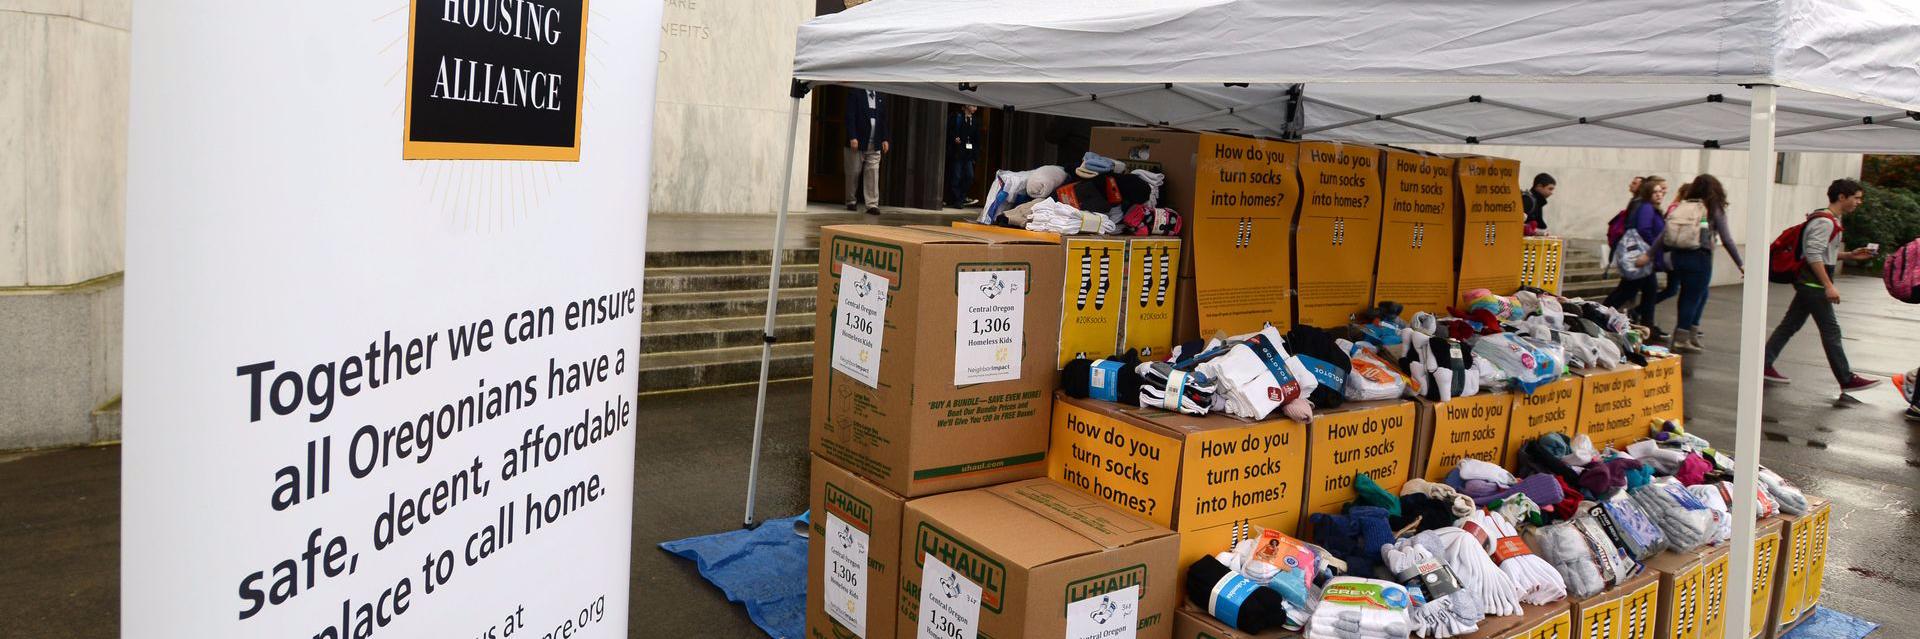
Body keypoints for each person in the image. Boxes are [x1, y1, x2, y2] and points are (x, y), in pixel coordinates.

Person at [1764, 179, 1882, 392]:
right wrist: (1828, 285)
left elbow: (1821, 253)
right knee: (1830, 330)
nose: (1858, 202)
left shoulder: (1829, 219)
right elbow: (1812, 254)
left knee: (1790, 324)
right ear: (1842, 197)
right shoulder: (1825, 222)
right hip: (1813, 282)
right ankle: (1846, 379)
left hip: (1811, 281)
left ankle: (1763, 364)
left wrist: (1848, 255)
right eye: (1856, 198)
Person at [1659, 175, 1743, 353]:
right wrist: (1740, 264)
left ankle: (1688, 334)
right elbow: (1727, 239)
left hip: (1678, 256)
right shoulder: (1713, 208)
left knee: (1692, 295)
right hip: (1700, 258)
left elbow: (1664, 233)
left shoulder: (1684, 205)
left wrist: (1649, 254)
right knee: (1694, 297)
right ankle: (1682, 338)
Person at [1603, 176, 1668, 340]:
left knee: (1647, 292)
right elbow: (1644, 230)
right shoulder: (1646, 207)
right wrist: (1652, 250)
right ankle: (1599, 313)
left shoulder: (1649, 207)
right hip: (1641, 258)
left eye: (1661, 191)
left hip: (1645, 259)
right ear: (1648, 193)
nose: (1660, 194)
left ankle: (1648, 327)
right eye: (1656, 192)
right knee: (1627, 291)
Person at [844, 89, 890, 215]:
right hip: (857, 142)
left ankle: (872, 204)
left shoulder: (881, 96)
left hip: (874, 143)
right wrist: (852, 136)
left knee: (873, 173)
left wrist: (885, 138)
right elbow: (850, 116)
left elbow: (883, 120)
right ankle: (851, 201)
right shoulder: (855, 93)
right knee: (853, 172)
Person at [945, 105, 982, 208]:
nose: (975, 108)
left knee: (969, 176)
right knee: (956, 176)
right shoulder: (957, 117)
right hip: (957, 152)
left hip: (969, 153)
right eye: (973, 106)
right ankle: (957, 199)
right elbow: (949, 130)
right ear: (966, 106)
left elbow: (977, 138)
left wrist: (975, 154)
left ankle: (962, 197)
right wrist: (954, 138)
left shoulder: (975, 120)